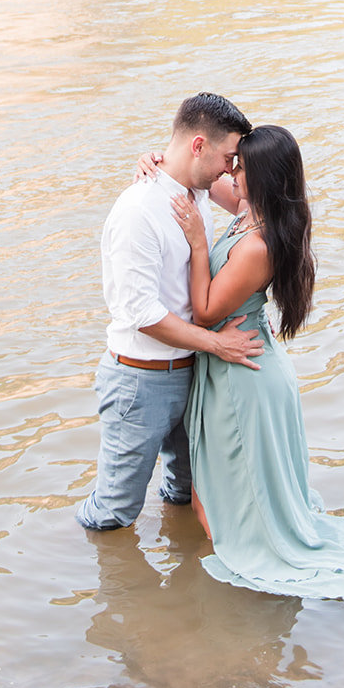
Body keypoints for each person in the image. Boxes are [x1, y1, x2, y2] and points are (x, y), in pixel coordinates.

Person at [171, 124, 344, 612]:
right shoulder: (249, 209)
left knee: (222, 499)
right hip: (240, 365)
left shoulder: (257, 246)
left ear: (260, 178)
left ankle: (226, 611)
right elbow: (200, 176)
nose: (231, 171)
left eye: (240, 166)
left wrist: (199, 242)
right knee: (216, 493)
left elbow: (205, 311)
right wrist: (159, 160)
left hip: (243, 377)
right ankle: (229, 601)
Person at [75, 93, 264, 532]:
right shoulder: (139, 210)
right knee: (114, 513)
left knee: (185, 492)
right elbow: (141, 312)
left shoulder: (196, 191)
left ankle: (182, 578)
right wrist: (218, 343)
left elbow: (259, 198)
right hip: (141, 381)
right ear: (198, 146)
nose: (232, 170)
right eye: (228, 157)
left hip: (193, 374)